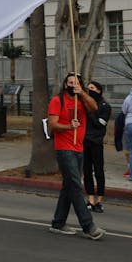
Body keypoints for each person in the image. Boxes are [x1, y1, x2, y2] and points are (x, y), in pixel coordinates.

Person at [47, 72, 105, 240]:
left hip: (79, 148)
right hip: (64, 148)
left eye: (76, 83)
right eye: (70, 82)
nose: (73, 85)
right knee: (75, 185)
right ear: (65, 85)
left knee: (68, 186)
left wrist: (83, 93)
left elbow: (95, 107)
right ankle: (88, 226)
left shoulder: (82, 100)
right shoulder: (58, 101)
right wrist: (68, 126)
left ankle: (58, 223)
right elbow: (52, 125)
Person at [83, 81, 111, 213]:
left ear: (99, 90)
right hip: (84, 141)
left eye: (92, 88)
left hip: (96, 142)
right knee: (87, 171)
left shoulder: (105, 106)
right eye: (88, 88)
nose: (90, 90)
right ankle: (90, 199)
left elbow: (101, 123)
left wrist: (91, 113)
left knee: (98, 171)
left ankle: (99, 200)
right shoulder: (84, 103)